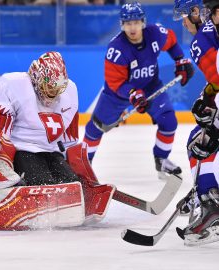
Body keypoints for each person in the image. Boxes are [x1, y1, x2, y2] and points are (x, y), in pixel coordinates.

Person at [0, 51, 115, 231]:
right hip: (20, 151)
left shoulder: (70, 91)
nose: (53, 93)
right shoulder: (14, 85)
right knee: (44, 185)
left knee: (72, 186)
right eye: (49, 87)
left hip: (50, 152)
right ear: (36, 77)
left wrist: (82, 172)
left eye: (57, 88)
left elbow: (69, 139)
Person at [83, 1, 194, 180]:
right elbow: (115, 82)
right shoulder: (116, 49)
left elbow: (172, 40)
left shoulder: (155, 33)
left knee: (169, 121)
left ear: (142, 22)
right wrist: (133, 93)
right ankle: (83, 167)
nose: (132, 27)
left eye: (135, 22)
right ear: (122, 25)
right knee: (95, 128)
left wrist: (180, 60)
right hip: (117, 95)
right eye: (128, 23)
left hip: (151, 87)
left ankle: (162, 159)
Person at [173, 0, 219, 246]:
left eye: (185, 15)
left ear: (196, 13)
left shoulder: (203, 39)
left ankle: (211, 204)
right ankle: (205, 194)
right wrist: (208, 95)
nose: (183, 21)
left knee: (201, 142)